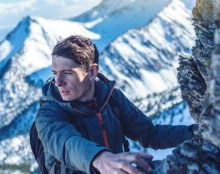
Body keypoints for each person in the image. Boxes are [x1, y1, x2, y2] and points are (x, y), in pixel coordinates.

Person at [35, 35, 197, 174]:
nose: (58, 82)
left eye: (67, 73)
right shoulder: (48, 114)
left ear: (92, 71)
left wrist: (198, 133)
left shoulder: (111, 98)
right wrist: (100, 158)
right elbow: (68, 144)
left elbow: (150, 134)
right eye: (55, 73)